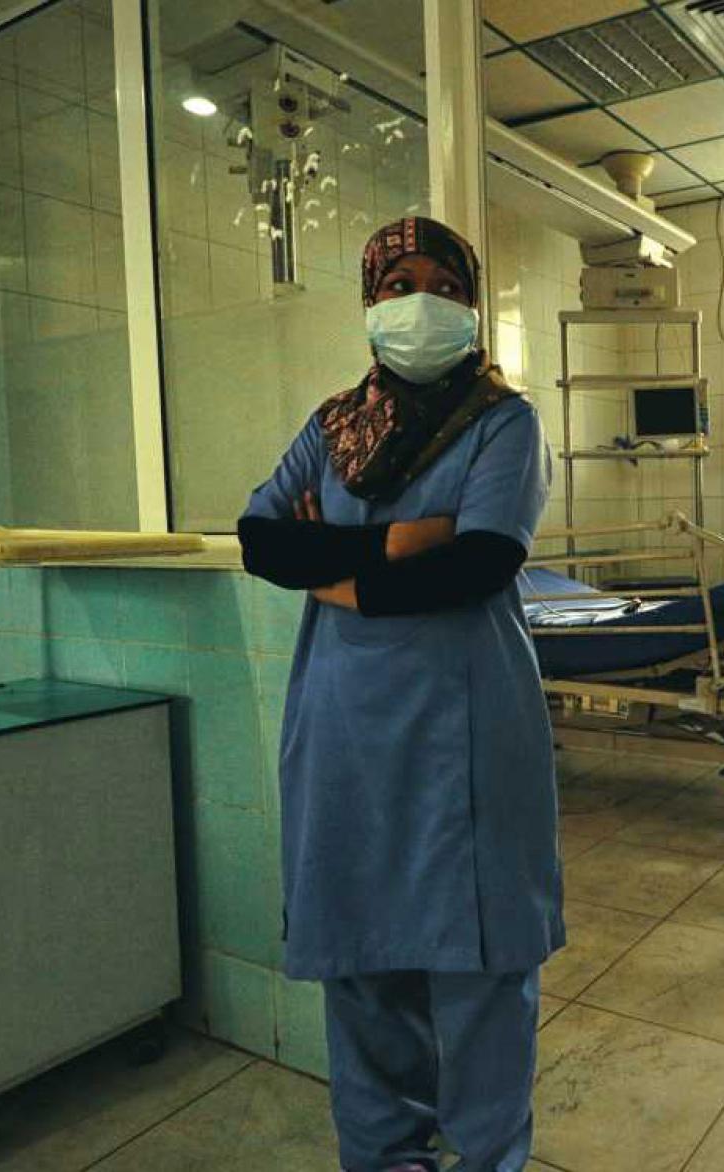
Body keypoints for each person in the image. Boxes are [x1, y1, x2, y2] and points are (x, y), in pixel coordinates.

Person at [238, 216, 564, 1172]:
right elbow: (261, 541)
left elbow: (480, 564)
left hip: (466, 725)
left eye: (443, 286)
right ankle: (385, 1155)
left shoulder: (505, 423)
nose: (419, 303)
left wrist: (336, 572)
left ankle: (489, 1157)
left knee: (480, 968)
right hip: (343, 726)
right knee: (361, 957)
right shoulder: (333, 426)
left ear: (472, 304)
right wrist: (397, 542)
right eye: (396, 285)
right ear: (369, 303)